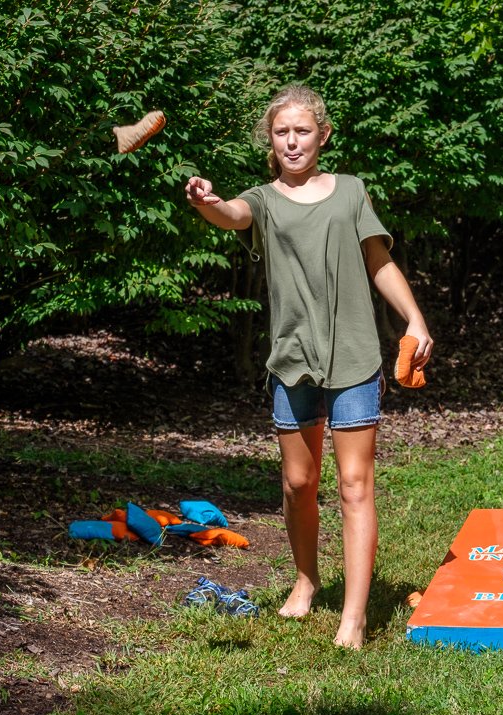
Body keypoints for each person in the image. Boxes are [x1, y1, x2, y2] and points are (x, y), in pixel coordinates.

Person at [184, 85, 433, 648]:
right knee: (299, 482)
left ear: (323, 135)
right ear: (270, 142)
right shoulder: (263, 200)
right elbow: (232, 214)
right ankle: (305, 579)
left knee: (353, 484)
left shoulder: (350, 192)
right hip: (292, 358)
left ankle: (354, 615)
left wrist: (415, 321)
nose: (292, 141)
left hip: (353, 357)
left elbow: (380, 260)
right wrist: (207, 201)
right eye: (281, 132)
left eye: (302, 131)